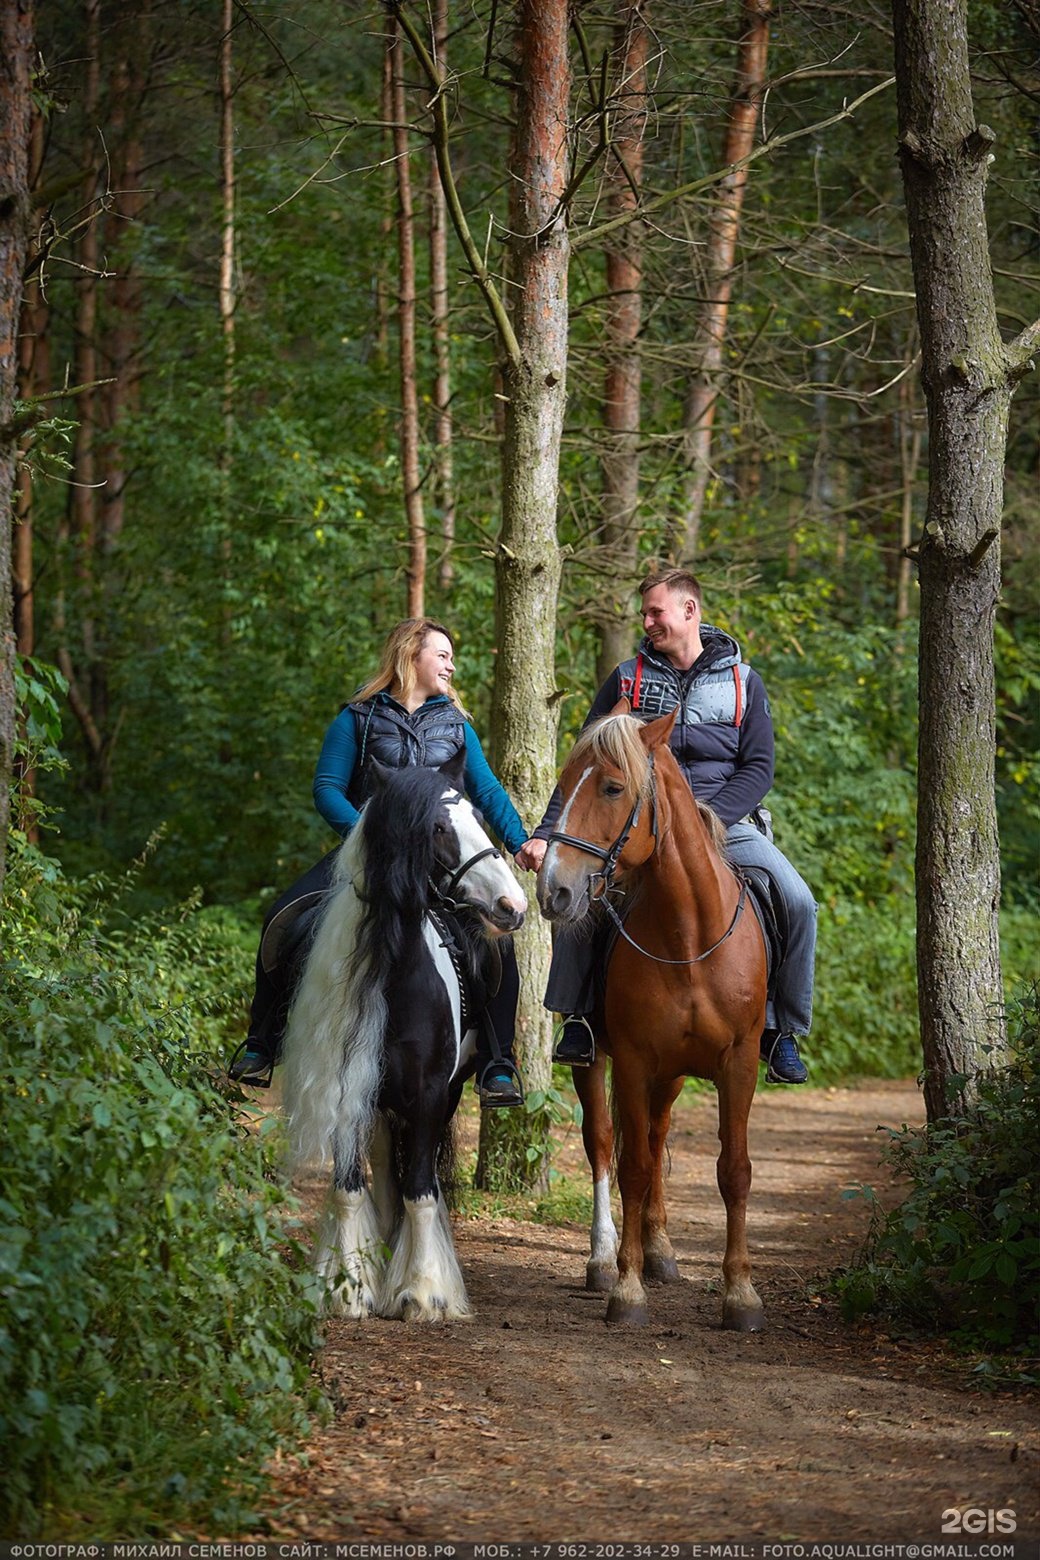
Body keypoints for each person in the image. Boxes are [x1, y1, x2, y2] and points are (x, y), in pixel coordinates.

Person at [515, 568, 816, 1085]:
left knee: (798, 900)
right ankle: (580, 1018)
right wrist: (546, 832)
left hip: (725, 824)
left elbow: (758, 768)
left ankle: (781, 1030)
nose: (647, 622)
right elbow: (585, 769)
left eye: (656, 612)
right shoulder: (626, 679)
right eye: (645, 614)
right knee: (584, 891)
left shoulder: (745, 683)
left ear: (689, 611)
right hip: (636, 827)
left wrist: (709, 822)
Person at [229, 618, 534, 1108]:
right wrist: (365, 835)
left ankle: (499, 1060)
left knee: (497, 948)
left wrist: (520, 842)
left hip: (441, 863)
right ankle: (262, 1042)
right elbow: (326, 787)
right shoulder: (357, 718)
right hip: (367, 851)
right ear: (411, 654)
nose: (452, 665)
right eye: (443, 655)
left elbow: (489, 791)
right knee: (284, 919)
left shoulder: (456, 725)